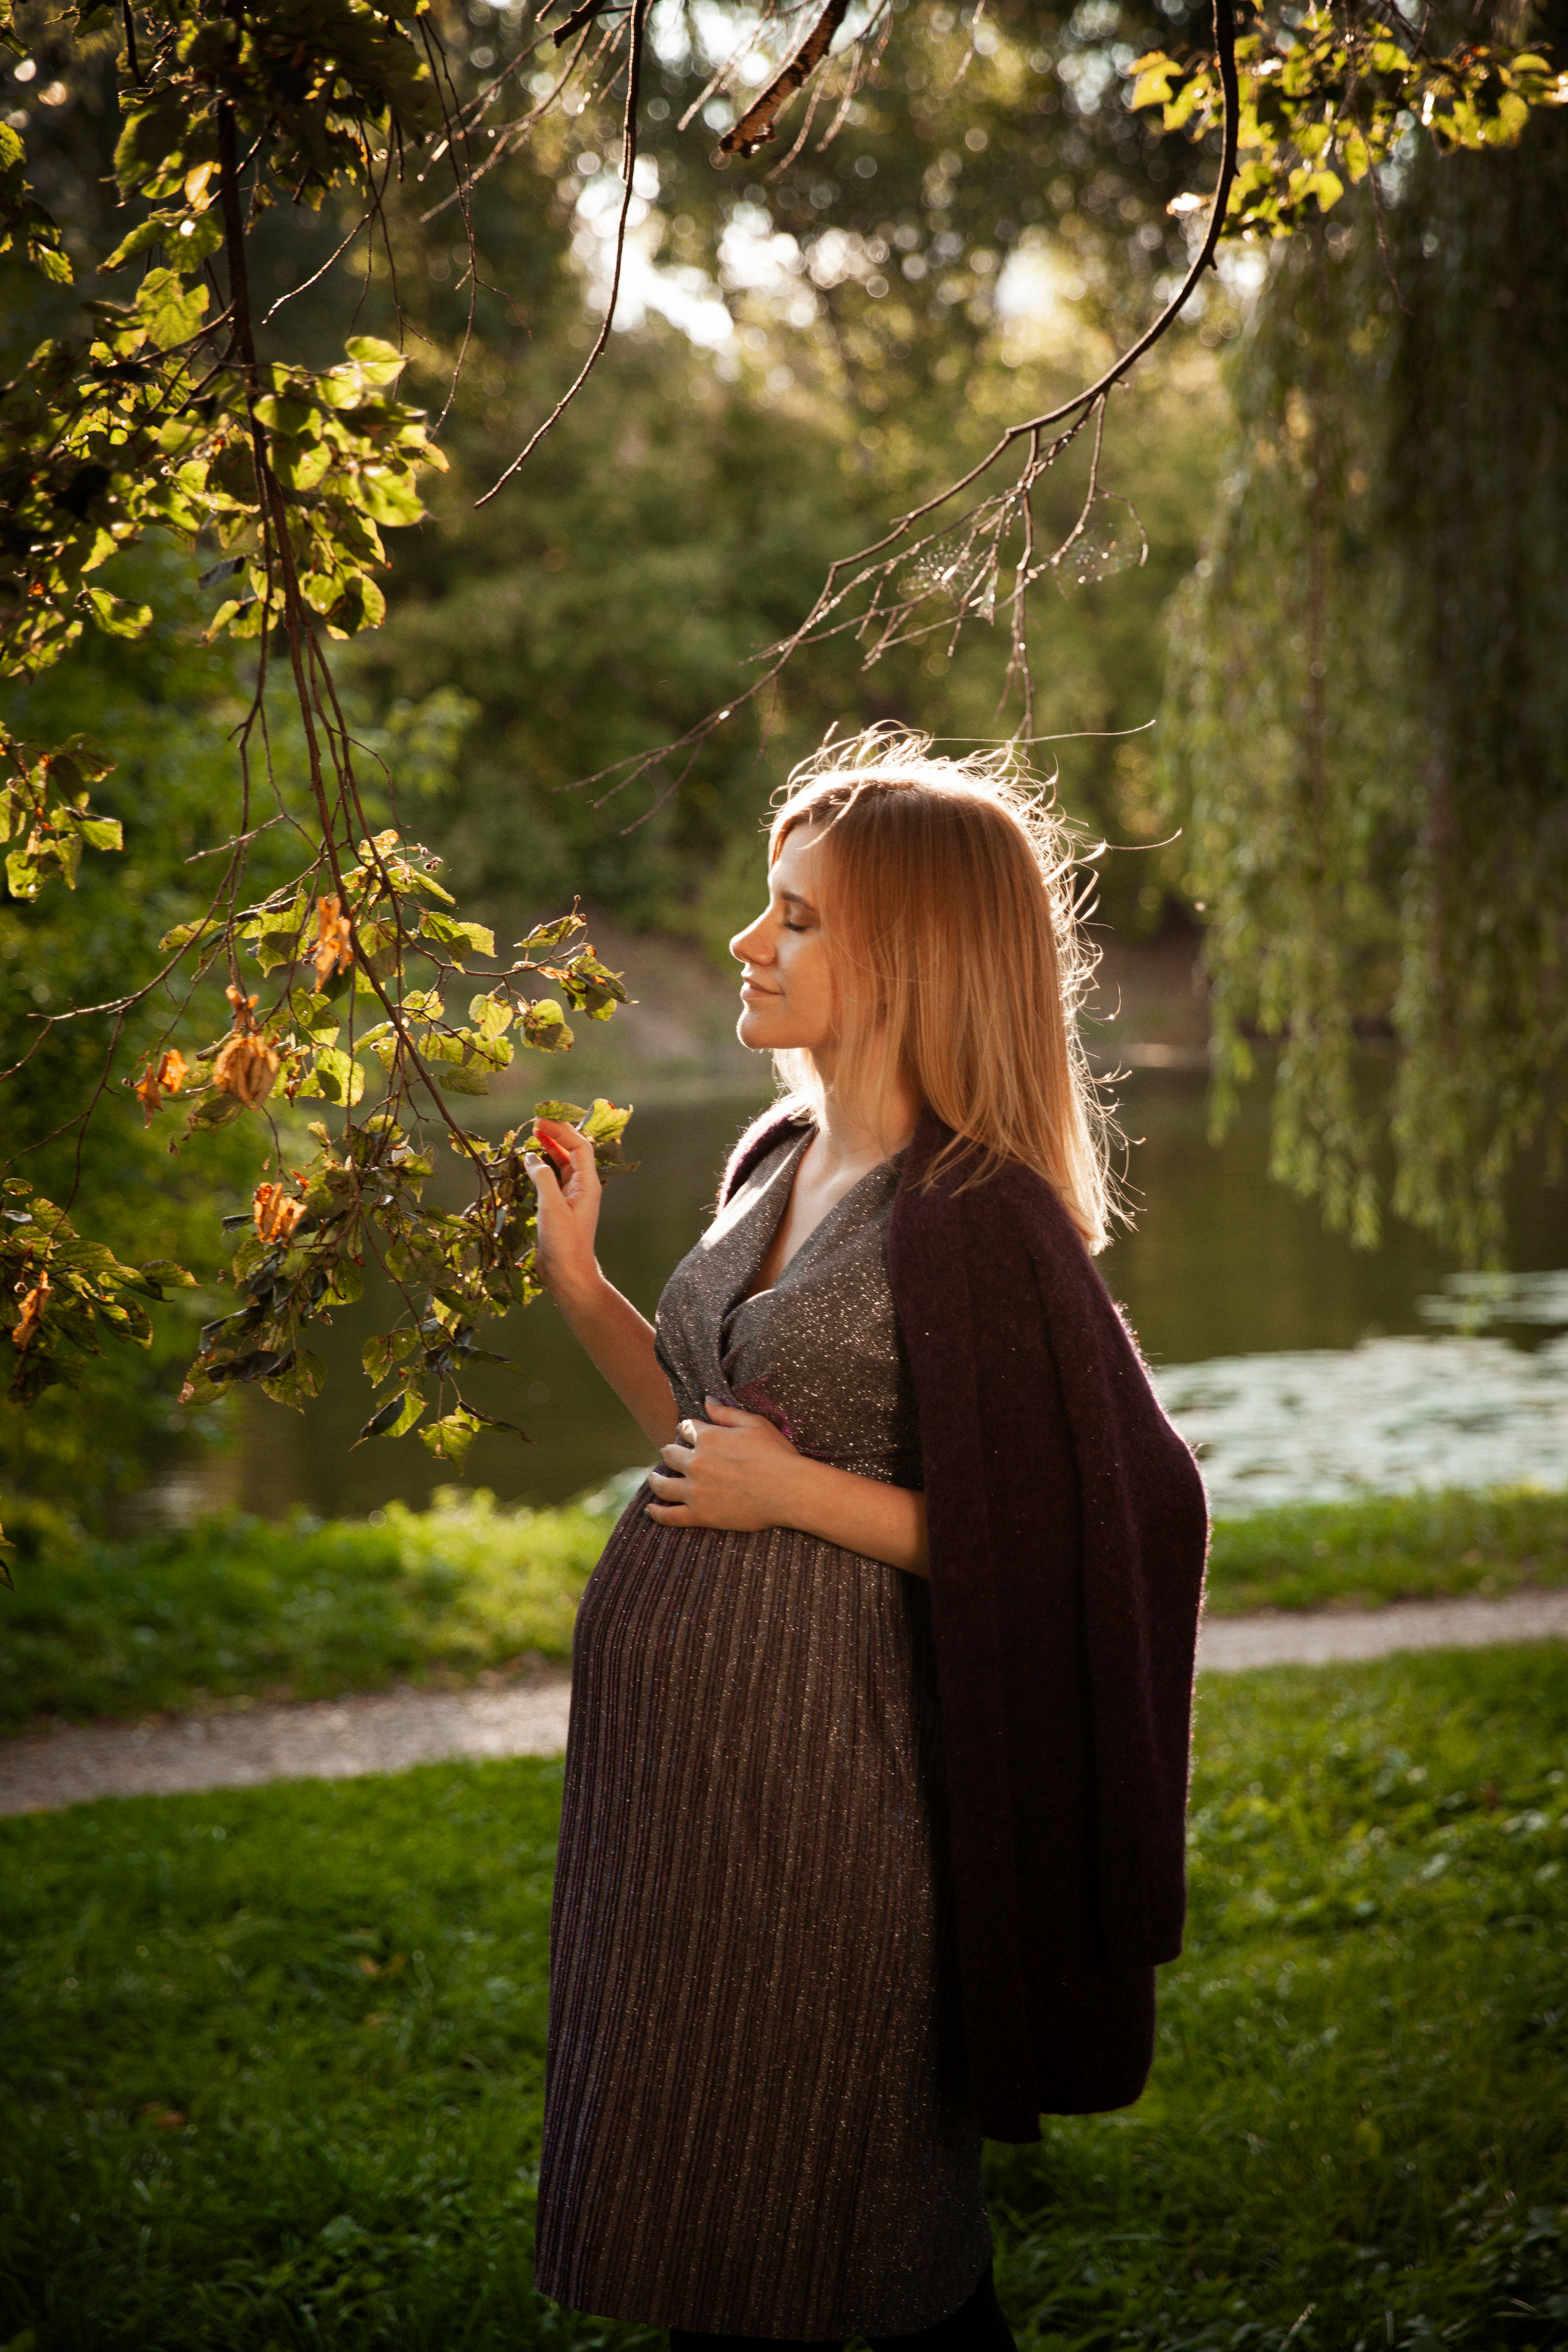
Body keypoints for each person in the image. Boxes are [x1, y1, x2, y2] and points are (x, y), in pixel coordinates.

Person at [523, 729, 1209, 2352]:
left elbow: (1124, 1520)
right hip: (683, 1803)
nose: (752, 945)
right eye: (769, 911)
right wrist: (582, 1288)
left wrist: (809, 1501)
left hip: (847, 1794)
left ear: (911, 954)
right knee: (711, 2239)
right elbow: (708, 1435)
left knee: (859, 2242)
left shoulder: (980, 1213)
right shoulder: (776, 1154)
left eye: (798, 919)